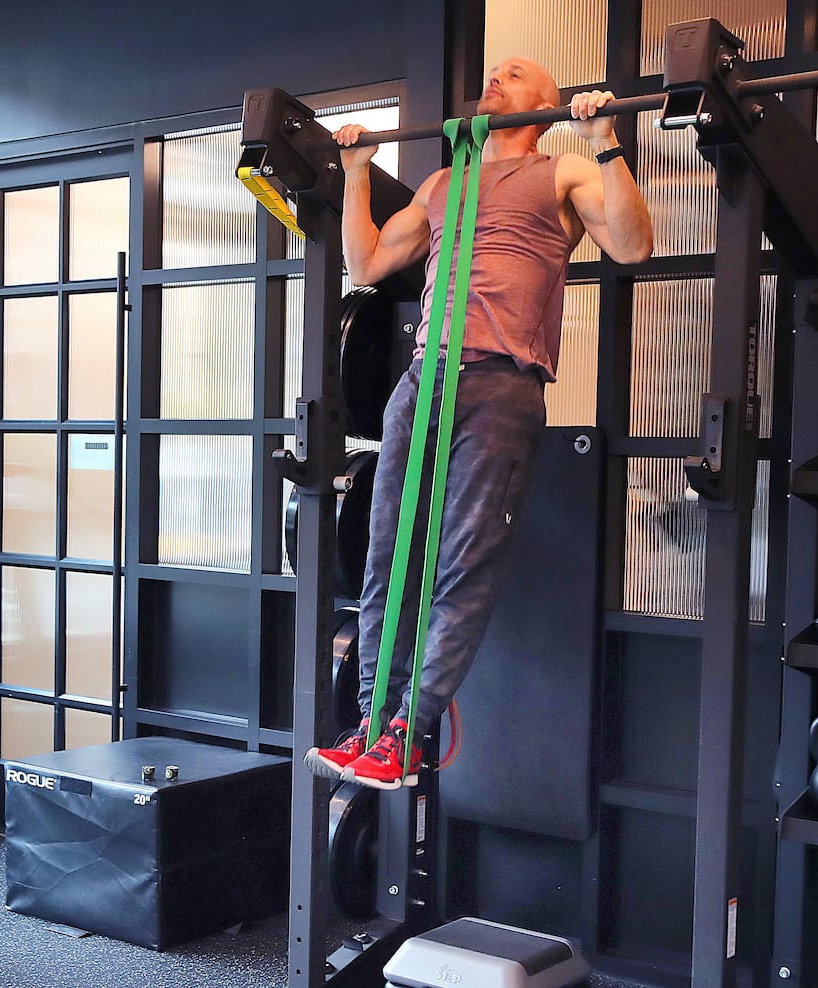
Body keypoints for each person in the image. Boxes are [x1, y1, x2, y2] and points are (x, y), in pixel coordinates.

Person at [306, 58, 653, 790]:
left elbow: (632, 244)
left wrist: (607, 140)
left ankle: (410, 731)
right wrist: (358, 171)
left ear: (549, 105)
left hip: (501, 383)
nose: (497, 78)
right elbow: (366, 263)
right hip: (420, 380)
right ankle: (369, 725)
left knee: (464, 562)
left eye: (516, 74)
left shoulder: (563, 173)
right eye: (494, 72)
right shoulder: (441, 184)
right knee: (385, 558)